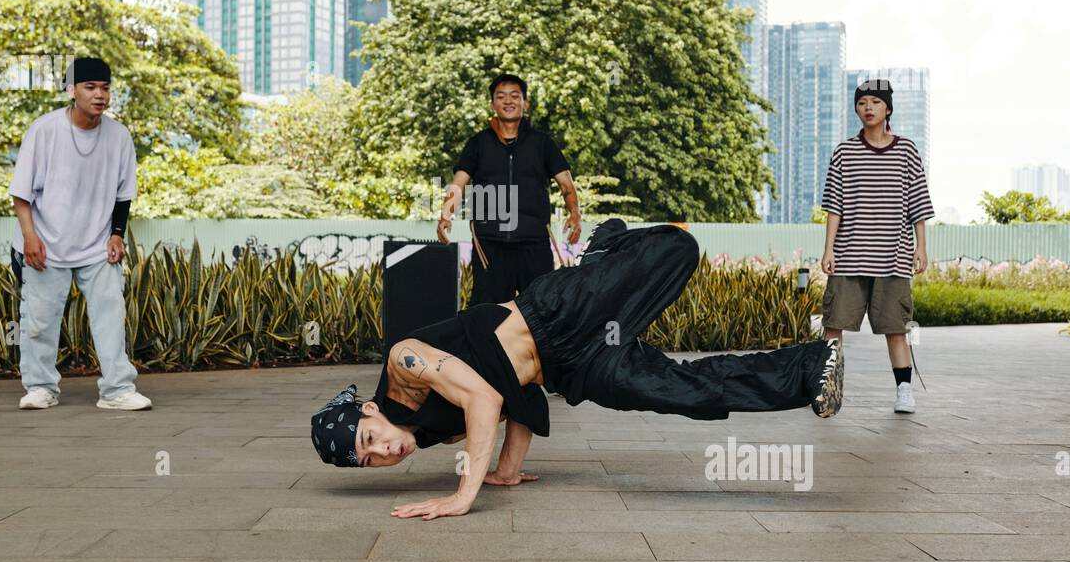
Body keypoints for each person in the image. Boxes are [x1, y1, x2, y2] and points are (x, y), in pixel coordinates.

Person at [311, 219, 843, 520]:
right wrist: (506, 470)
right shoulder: (420, 431)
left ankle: (607, 245)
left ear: (370, 408)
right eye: (370, 461)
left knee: (678, 249)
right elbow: (514, 396)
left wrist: (463, 494)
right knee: (684, 392)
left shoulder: (405, 362)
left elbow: (485, 399)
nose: (384, 452)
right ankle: (809, 370)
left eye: (369, 437)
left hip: (559, 314)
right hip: (575, 366)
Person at [9, 56, 152, 412]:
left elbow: (124, 195)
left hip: (96, 245)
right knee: (39, 321)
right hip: (45, 242)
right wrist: (29, 237)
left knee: (110, 314)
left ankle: (117, 390)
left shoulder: (119, 136)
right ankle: (41, 387)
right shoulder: (44, 130)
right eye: (90, 87)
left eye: (105, 87)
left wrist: (117, 234)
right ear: (72, 91)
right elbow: (21, 194)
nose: (99, 95)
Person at [821, 78, 935, 414]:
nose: (867, 108)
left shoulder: (906, 151)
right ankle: (828, 388)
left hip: (893, 257)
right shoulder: (845, 152)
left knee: (896, 329)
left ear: (888, 108)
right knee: (833, 326)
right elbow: (834, 204)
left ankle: (903, 391)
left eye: (874, 102)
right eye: (861, 103)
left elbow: (918, 201)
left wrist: (921, 247)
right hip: (849, 256)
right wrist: (829, 249)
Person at [437, 73, 581, 305]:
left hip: (534, 243)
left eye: (515, 96)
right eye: (501, 96)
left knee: (540, 311)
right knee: (487, 315)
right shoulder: (477, 144)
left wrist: (575, 214)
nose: (508, 101)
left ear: (525, 103)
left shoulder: (543, 143)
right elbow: (459, 183)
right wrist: (445, 213)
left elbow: (566, 185)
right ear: (493, 104)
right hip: (489, 245)